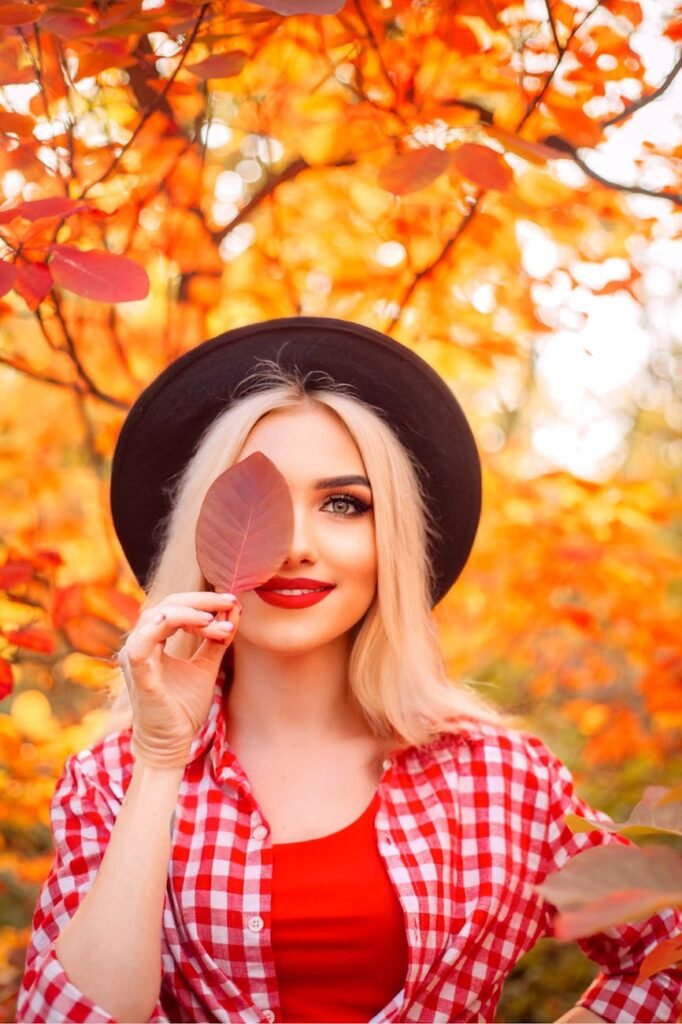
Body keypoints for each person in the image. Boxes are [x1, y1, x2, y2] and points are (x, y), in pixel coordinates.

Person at [16, 317, 681, 1024]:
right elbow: (70, 1016)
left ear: (387, 537)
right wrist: (159, 761)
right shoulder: (112, 781)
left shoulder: (502, 777)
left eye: (343, 504)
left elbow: (667, 945)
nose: (296, 545)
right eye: (259, 505)